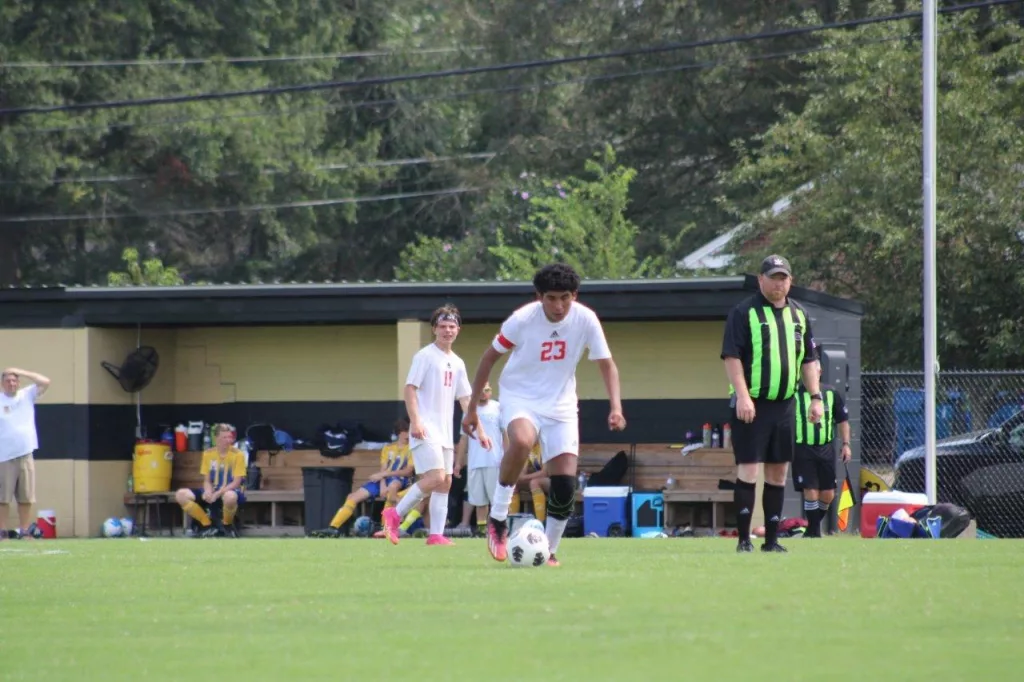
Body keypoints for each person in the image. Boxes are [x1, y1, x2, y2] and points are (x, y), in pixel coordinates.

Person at [462, 263, 625, 566]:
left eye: (565, 297)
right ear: (539, 297)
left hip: (561, 404)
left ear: (574, 295)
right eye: (551, 298)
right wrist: (471, 410)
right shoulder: (522, 319)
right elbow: (488, 358)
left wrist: (616, 407)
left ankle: (548, 550)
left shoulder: (586, 319)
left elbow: (607, 364)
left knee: (565, 482)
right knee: (522, 441)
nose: (559, 305)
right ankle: (498, 517)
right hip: (520, 396)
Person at [721, 254, 821, 553]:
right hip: (752, 404)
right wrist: (742, 396)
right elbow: (732, 357)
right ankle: (743, 540)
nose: (778, 284)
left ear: (790, 281)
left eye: (783, 278)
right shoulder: (744, 312)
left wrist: (815, 397)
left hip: (785, 405)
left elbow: (809, 360)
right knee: (749, 470)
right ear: (760, 279)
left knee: (778, 473)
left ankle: (772, 541)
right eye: (773, 278)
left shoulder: (799, 315)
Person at [381, 304, 474, 546]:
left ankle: (436, 535)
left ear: (458, 329)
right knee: (435, 477)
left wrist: (479, 429)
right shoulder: (424, 356)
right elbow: (409, 388)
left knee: (446, 482)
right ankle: (394, 515)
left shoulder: (458, 362)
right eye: (442, 326)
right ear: (434, 329)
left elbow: (465, 398)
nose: (447, 330)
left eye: (451, 326)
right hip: (425, 428)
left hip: (445, 432)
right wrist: (416, 421)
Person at [311, 418, 414, 538]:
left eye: (410, 431)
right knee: (352, 497)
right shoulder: (388, 448)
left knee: (393, 487)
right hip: (383, 479)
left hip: (399, 479)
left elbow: (408, 471)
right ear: (399, 432)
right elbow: (383, 469)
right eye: (405, 431)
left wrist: (384, 476)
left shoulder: (413, 448)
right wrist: (382, 483)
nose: (408, 434)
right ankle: (333, 528)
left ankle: (385, 528)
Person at [793, 348, 851, 538]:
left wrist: (846, 444)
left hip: (826, 449)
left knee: (828, 494)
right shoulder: (795, 394)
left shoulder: (831, 393)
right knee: (810, 490)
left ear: (819, 372)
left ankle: (811, 528)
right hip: (803, 448)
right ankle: (815, 532)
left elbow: (842, 420)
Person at [0, 367, 51, 540]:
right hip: (4, 456)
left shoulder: (26, 395)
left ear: (19, 382)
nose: (11, 383)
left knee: (26, 497)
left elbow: (45, 382)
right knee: (3, 497)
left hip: (25, 454)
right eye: (8, 381)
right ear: (2, 383)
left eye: (14, 380)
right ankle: (2, 531)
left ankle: (24, 530)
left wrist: (20, 371)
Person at [174, 423, 247, 538]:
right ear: (216, 439)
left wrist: (217, 494)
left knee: (230, 496)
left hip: (231, 490)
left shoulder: (238, 455)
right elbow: (207, 480)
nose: (228, 440)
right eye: (224, 437)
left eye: (230, 437)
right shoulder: (208, 454)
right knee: (181, 495)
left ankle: (227, 525)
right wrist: (208, 491)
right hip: (213, 489)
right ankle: (206, 525)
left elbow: (236, 482)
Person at [453, 382, 506, 536]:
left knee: (495, 501)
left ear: (491, 391)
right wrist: (458, 463)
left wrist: (506, 457)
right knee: (479, 502)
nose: (484, 392)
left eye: (487, 389)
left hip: (494, 461)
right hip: (474, 463)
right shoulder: (469, 410)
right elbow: (464, 439)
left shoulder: (498, 407)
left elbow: (505, 434)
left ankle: (496, 532)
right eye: (481, 390)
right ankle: (482, 532)